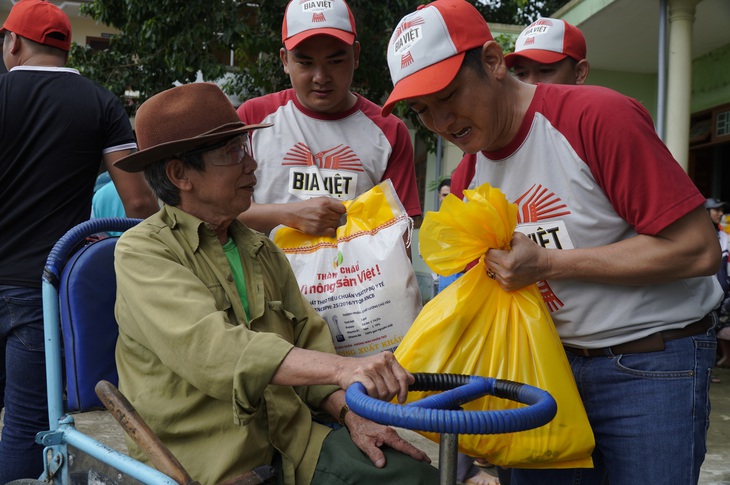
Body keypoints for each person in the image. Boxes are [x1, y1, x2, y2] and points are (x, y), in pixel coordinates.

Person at [382, 1, 722, 484]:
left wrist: (547, 263)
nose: (440, 122)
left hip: (649, 366)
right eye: (422, 110)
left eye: (450, 95)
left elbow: (697, 250)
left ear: (494, 61)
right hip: (543, 375)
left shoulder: (596, 118)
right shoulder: (467, 178)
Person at [111, 82, 439, 485]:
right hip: (206, 462)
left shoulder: (261, 249)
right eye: (231, 154)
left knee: (415, 477)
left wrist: (350, 414)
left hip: (293, 442)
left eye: (244, 150)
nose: (251, 166)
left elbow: (308, 336)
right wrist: (342, 368)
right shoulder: (141, 251)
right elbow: (213, 349)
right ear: (180, 174)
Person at [0, 0, 159, 481]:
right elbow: (137, 202)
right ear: (65, 49)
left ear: (13, 41)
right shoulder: (100, 102)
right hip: (40, 289)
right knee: (26, 425)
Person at [236, 0, 421, 241]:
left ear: (355, 56)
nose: (321, 77)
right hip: (266, 277)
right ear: (285, 60)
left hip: (357, 277)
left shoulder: (389, 130)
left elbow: (401, 228)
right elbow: (223, 211)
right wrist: (290, 215)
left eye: (335, 61)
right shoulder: (253, 118)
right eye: (305, 63)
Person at [451, 17, 590, 201]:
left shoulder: (599, 128)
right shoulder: (474, 162)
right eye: (521, 74)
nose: (532, 84)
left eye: (546, 71)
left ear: (580, 72)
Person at [706, 198, 730, 374]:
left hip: (722, 291)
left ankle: (711, 367)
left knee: (715, 328)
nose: (720, 213)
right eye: (716, 210)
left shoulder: (724, 236)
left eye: (721, 210)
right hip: (703, 291)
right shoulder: (701, 234)